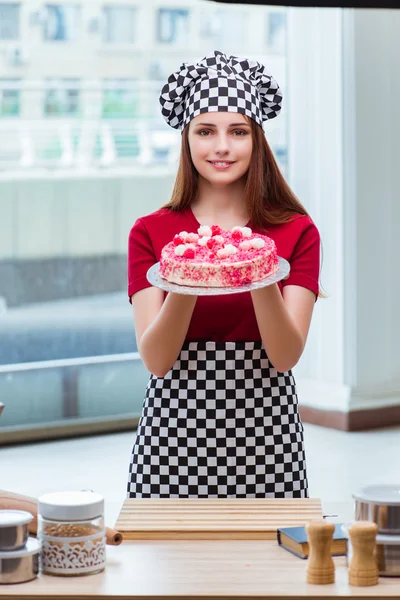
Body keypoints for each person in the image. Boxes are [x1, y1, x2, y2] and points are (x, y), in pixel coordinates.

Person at [126, 50, 320, 499]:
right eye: (205, 131)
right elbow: (156, 361)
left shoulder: (295, 232)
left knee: (268, 565)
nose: (222, 147)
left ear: (257, 140)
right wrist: (188, 270)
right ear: (187, 139)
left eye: (238, 131)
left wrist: (255, 265)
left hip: (267, 433)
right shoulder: (151, 232)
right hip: (172, 435)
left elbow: (285, 356)